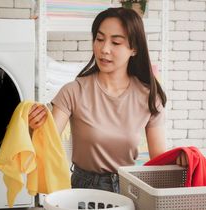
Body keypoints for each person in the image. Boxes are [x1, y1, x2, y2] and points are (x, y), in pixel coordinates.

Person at [29, 7, 186, 193]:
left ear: (134, 48)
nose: (104, 49)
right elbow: (48, 143)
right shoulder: (73, 91)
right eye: (100, 39)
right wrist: (32, 127)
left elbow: (158, 159)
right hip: (85, 190)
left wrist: (179, 158)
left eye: (116, 42)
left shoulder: (149, 97)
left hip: (130, 188)